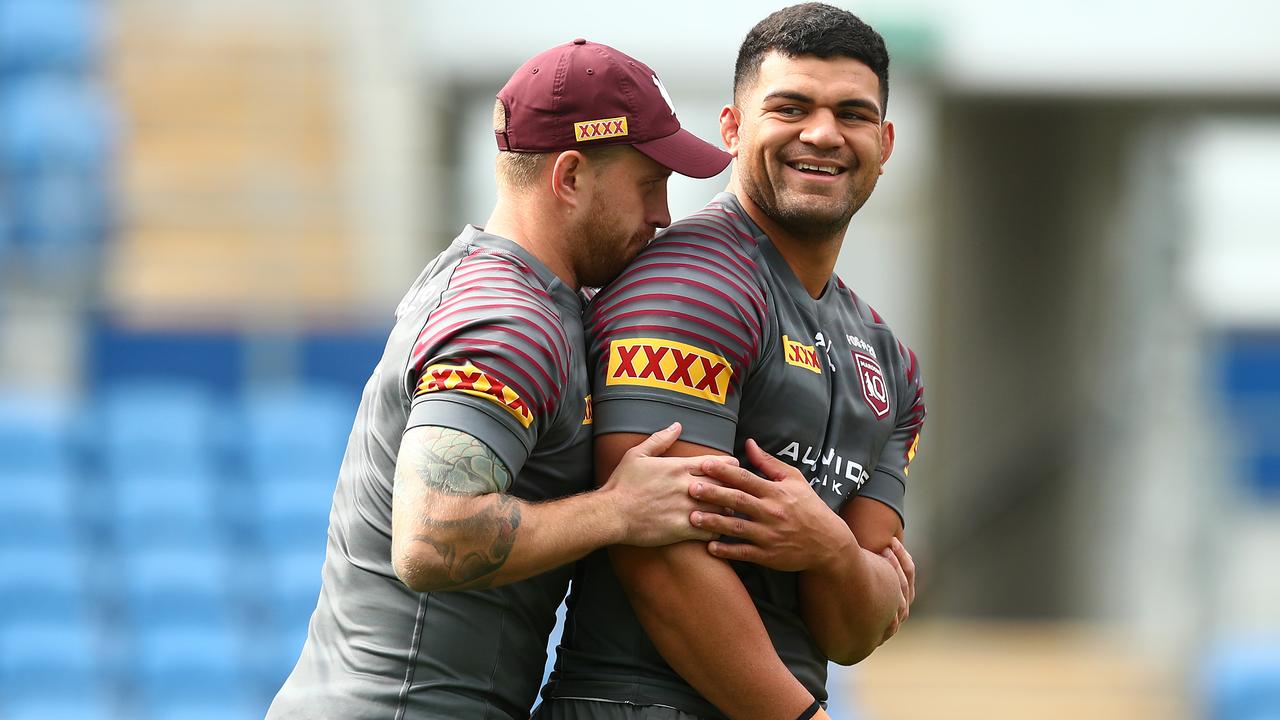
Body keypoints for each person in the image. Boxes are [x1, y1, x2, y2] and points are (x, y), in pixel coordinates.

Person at [266, 39, 734, 720]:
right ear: (570, 177)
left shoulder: (510, 291)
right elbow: (431, 536)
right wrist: (617, 511)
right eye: (649, 183)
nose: (663, 214)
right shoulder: (508, 322)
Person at [537, 5, 925, 720]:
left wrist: (830, 549)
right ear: (732, 127)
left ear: (886, 140)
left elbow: (856, 627)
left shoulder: (892, 362)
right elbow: (658, 561)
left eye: (852, 113)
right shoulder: (691, 288)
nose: (822, 133)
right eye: (790, 107)